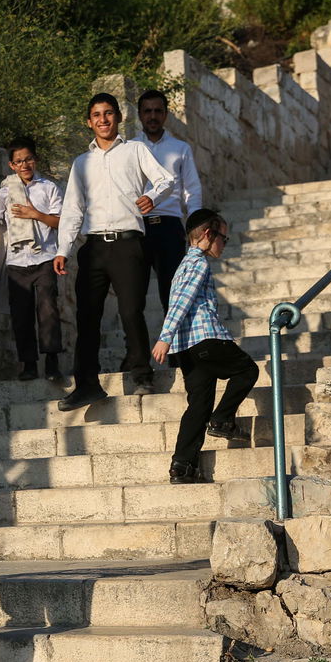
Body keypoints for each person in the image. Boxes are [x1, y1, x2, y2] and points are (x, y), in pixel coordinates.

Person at [54, 93, 174, 411]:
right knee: (87, 317)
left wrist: (151, 196)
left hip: (128, 243)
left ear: (119, 117)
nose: (103, 119)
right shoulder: (82, 163)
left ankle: (142, 374)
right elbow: (72, 209)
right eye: (96, 114)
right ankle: (87, 385)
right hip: (93, 247)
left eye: (109, 113)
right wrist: (63, 249)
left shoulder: (136, 149)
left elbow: (166, 180)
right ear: (89, 121)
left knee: (130, 311)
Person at [151, 209, 259, 484]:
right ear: (208, 235)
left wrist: (171, 340)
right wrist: (165, 337)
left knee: (198, 406)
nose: (224, 243)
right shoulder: (198, 264)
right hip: (206, 339)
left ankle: (182, 466)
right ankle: (222, 420)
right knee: (247, 370)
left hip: (187, 349)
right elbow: (181, 302)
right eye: (223, 237)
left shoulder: (183, 265)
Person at [0, 137, 64, 383]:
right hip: (17, 261)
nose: (24, 164)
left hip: (45, 257)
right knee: (21, 315)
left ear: (35, 160)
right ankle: (28, 365)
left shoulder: (49, 188)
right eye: (19, 161)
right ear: (12, 165)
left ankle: (52, 362)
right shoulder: (6, 192)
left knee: (48, 310)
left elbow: (60, 221)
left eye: (28, 159)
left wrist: (34, 214)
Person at [133, 89, 202, 311]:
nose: (152, 116)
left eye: (157, 111)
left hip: (170, 226)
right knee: (134, 293)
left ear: (165, 114)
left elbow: (191, 189)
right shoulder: (129, 148)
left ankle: (177, 344)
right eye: (147, 111)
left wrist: (195, 226)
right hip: (137, 227)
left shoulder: (181, 148)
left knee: (173, 292)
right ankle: (134, 346)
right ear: (139, 115)